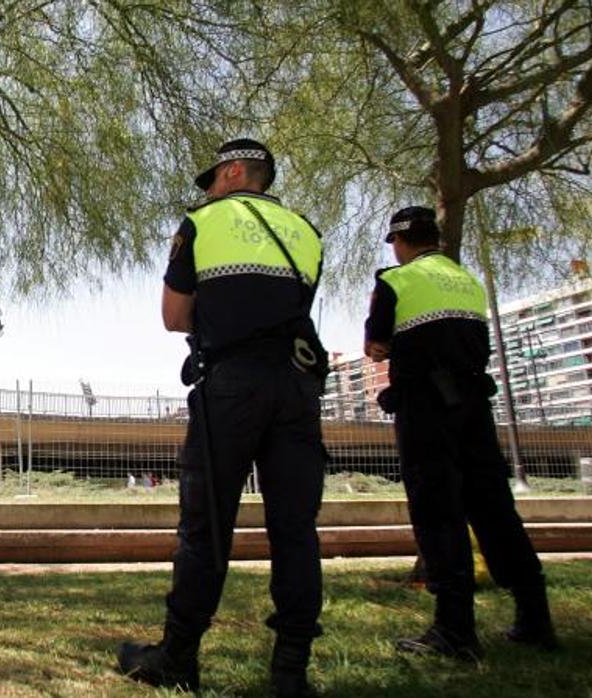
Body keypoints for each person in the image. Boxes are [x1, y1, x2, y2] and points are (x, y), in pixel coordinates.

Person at [117, 139, 327, 697]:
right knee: (296, 529)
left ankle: (178, 655)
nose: (208, 189)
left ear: (234, 172)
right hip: (299, 384)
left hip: (233, 385)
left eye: (212, 178)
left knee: (205, 526)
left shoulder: (204, 222)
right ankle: (291, 673)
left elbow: (173, 316)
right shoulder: (306, 231)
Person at [364, 206, 557, 660]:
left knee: (438, 511)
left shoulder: (395, 281)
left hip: (426, 409)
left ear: (399, 241)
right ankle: (535, 617)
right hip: (474, 407)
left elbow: (376, 344)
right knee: (495, 511)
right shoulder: (466, 280)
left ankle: (455, 630)